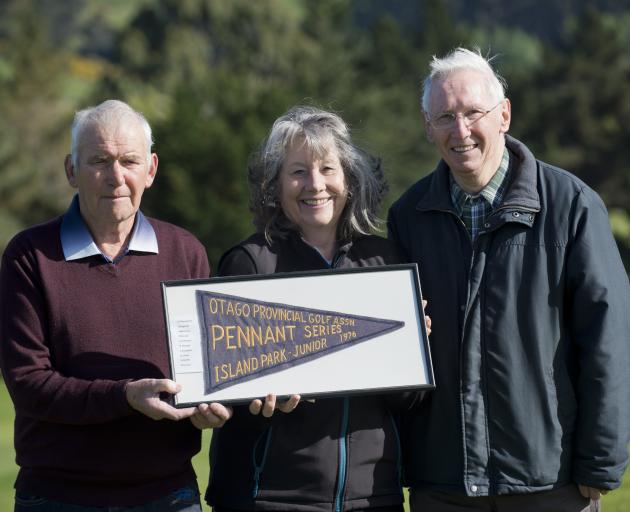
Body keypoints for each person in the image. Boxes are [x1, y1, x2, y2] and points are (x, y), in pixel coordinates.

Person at [388, 47, 630, 512]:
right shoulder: (408, 216)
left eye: (473, 112)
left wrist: (599, 461)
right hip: (444, 484)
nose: (460, 131)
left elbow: (609, 340)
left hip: (549, 480)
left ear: (504, 115)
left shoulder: (572, 206)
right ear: (427, 126)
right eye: (444, 117)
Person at [0, 99, 231, 510]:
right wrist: (124, 396)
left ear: (151, 170)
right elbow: (28, 384)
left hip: (168, 495)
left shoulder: (185, 252)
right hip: (58, 497)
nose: (116, 177)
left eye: (129, 161)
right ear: (71, 170)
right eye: (99, 161)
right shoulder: (29, 256)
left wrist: (212, 403)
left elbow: (204, 368)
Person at [205, 106, 418, 512]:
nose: (315, 184)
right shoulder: (250, 263)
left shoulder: (386, 263)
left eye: (327, 169)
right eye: (298, 171)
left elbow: (408, 402)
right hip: (268, 499)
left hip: (373, 499)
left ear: (349, 179)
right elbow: (224, 399)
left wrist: (413, 349)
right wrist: (255, 400)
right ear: (276, 185)